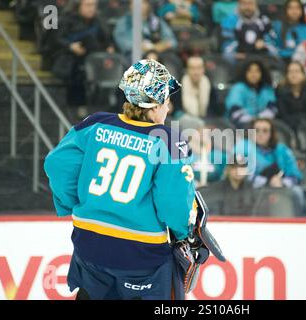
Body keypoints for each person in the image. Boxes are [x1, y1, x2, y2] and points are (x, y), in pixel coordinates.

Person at [44, 59, 200, 300]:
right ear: (156, 105)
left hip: (89, 244)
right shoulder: (169, 141)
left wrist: (76, 203)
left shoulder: (95, 123)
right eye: (167, 101)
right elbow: (173, 202)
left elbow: (56, 164)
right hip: (141, 255)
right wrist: (183, 233)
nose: (168, 108)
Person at [53, 0, 114, 117]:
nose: (92, 8)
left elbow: (107, 40)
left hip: (96, 60)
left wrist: (110, 48)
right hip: (73, 59)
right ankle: (78, 107)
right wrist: (71, 46)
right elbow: (56, 40)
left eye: (94, 5)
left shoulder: (99, 22)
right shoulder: (67, 20)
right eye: (88, 5)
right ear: (78, 6)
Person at [234, 118, 305, 212]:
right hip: (253, 192)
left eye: (265, 131)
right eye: (257, 130)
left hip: (281, 191)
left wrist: (282, 182)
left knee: (297, 191)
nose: (260, 134)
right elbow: (238, 172)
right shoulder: (243, 146)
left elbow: (295, 175)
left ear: (271, 133)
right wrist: (267, 182)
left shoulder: (282, 150)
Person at [113, 0, 178, 64]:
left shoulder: (156, 21)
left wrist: (154, 48)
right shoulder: (124, 22)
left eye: (143, 2)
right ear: (130, 5)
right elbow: (124, 44)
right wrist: (144, 49)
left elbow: (172, 42)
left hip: (159, 53)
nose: (139, 5)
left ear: (147, 5)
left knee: (171, 59)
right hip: (134, 56)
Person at [225, 59, 277, 129]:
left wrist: (259, 120)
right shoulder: (238, 88)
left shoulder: (267, 89)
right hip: (240, 126)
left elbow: (272, 109)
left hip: (263, 125)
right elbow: (235, 112)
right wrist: (253, 122)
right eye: (250, 71)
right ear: (245, 73)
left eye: (257, 71)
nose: (253, 74)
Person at [171, 56, 219, 124]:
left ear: (203, 69)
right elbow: (175, 110)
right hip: (184, 124)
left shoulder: (210, 85)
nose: (196, 72)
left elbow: (214, 111)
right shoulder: (178, 86)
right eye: (192, 68)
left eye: (199, 68)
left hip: (207, 123)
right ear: (187, 70)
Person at [275, 61, 306, 129]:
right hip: (288, 128)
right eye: (290, 72)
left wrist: (305, 124)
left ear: (303, 75)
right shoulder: (280, 92)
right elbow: (283, 116)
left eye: (297, 71)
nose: (293, 74)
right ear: (287, 75)